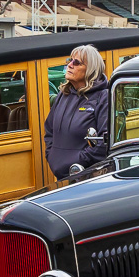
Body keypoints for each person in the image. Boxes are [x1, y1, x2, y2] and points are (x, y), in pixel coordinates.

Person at [44, 44, 109, 179]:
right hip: (60, 175)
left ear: (90, 69)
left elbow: (104, 142)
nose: (70, 65)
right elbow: (49, 130)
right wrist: (51, 156)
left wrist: (79, 161)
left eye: (77, 62)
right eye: (70, 60)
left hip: (87, 176)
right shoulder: (63, 94)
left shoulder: (103, 97)